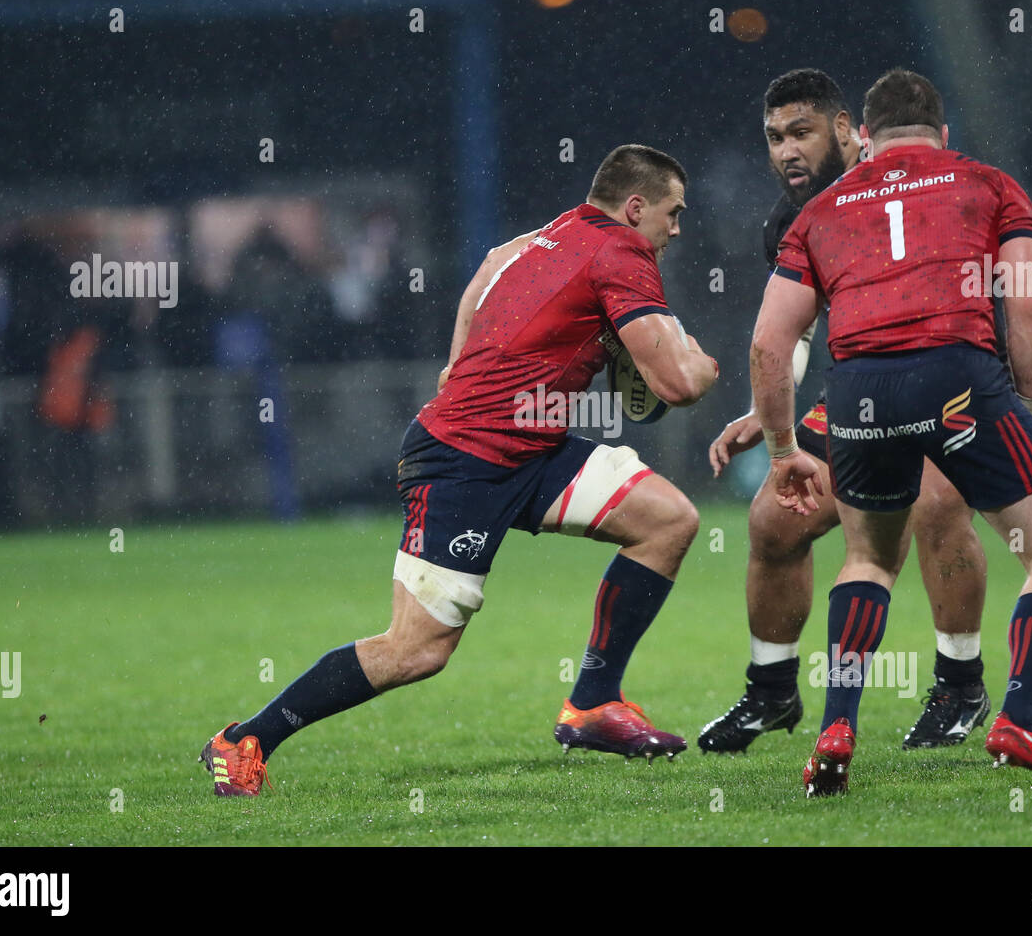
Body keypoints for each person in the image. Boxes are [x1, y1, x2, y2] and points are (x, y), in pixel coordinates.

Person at [202, 144, 719, 795]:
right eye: (672, 213)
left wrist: (456, 362)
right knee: (416, 651)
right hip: (462, 464)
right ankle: (243, 739)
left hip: (534, 450)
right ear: (635, 207)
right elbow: (675, 385)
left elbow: (487, 268)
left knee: (668, 521)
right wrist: (704, 362)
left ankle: (594, 703)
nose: (676, 228)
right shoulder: (623, 250)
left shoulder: (557, 231)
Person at [753, 68, 1032, 796]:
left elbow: (768, 344)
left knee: (868, 561)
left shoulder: (821, 209)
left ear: (866, 141)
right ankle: (1022, 719)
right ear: (943, 135)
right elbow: (1030, 306)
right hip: (958, 378)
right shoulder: (988, 182)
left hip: (857, 392)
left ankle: (836, 727)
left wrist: (783, 449)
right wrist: (1027, 410)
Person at [700, 69, 991, 754]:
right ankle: (771, 691)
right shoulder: (792, 219)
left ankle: (960, 684)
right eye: (773, 138)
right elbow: (795, 329)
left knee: (938, 502)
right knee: (777, 518)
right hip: (866, 393)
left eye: (800, 132)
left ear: (844, 128)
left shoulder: (914, 173)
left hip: (952, 379)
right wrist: (762, 410)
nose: (785, 152)